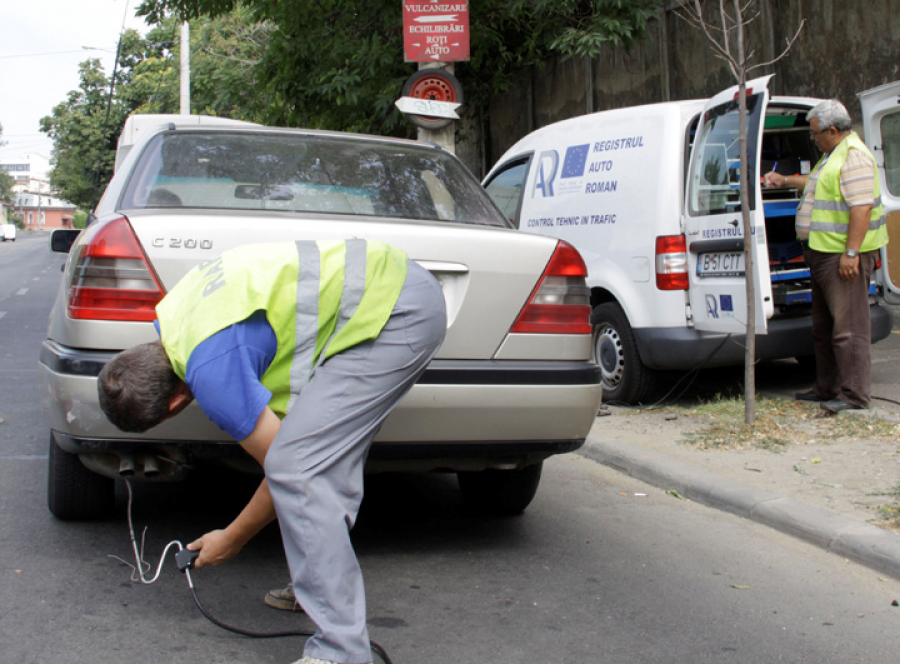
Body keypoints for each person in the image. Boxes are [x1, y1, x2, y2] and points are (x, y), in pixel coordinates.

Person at [98, 239, 447, 664]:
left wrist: (231, 539)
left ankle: (339, 652)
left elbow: (286, 472)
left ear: (171, 406)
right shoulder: (174, 317)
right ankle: (318, 585)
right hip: (390, 288)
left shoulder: (213, 373)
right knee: (319, 458)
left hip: (394, 313)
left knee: (299, 468)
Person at [763, 99, 888, 413]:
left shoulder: (854, 157)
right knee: (823, 326)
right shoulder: (832, 156)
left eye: (816, 134)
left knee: (849, 328)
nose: (813, 139)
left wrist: (851, 253)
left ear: (833, 131)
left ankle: (853, 395)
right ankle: (827, 387)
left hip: (841, 257)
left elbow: (861, 208)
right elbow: (818, 184)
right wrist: (786, 180)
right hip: (822, 253)